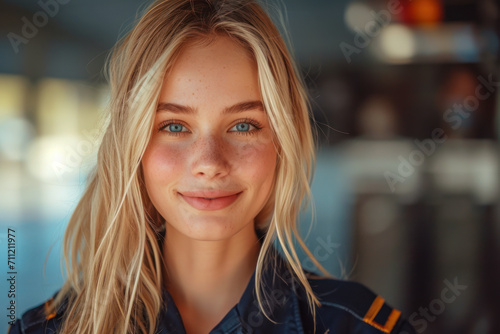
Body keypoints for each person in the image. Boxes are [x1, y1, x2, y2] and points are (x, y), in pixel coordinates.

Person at [8, 0, 416, 333]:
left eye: (243, 125)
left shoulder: (357, 325)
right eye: (173, 126)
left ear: (283, 141)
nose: (209, 163)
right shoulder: (46, 329)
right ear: (130, 146)